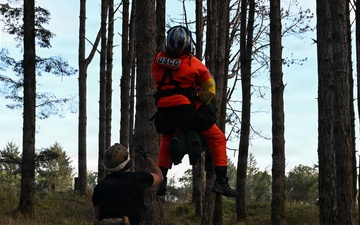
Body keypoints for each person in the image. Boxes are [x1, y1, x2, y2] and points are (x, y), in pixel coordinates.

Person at [151, 25, 239, 198]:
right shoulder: (194, 64)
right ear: (187, 45)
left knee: (166, 138)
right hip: (186, 111)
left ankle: (161, 181)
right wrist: (199, 99)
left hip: (163, 111)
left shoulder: (157, 61)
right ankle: (221, 181)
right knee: (217, 137)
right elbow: (210, 89)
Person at [92, 143, 163, 225]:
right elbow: (159, 176)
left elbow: (97, 219)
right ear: (127, 160)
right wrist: (147, 157)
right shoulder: (138, 179)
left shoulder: (99, 187)